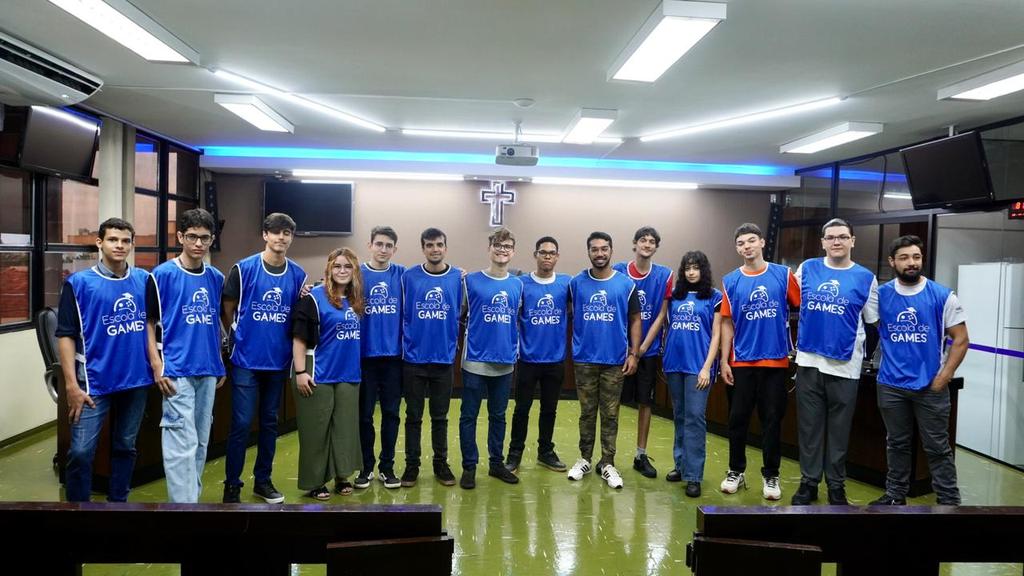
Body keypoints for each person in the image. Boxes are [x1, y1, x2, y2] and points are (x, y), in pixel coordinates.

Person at [56, 217, 153, 502]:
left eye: (125, 241)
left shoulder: (144, 280)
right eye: (113, 239)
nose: (119, 245)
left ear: (132, 244)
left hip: (136, 380)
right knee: (80, 451)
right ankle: (78, 510)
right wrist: (71, 386)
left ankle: (118, 504)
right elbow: (65, 335)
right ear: (100, 242)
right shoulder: (78, 284)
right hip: (93, 383)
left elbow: (153, 325)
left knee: (125, 446)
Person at [869, 235, 968, 506]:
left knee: (937, 447)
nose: (911, 262)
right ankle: (895, 496)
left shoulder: (942, 295)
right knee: (896, 443)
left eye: (916, 257)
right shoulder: (881, 295)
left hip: (930, 386)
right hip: (890, 385)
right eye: (904, 258)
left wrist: (945, 376)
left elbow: (961, 339)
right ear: (892, 262)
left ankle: (949, 501)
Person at [791, 218, 878, 506]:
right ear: (823, 242)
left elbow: (873, 322)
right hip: (809, 361)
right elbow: (790, 300)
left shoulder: (866, 278)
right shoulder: (807, 269)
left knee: (839, 431)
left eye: (842, 236)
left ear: (853, 240)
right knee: (809, 428)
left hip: (845, 365)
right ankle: (809, 483)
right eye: (830, 237)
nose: (836, 241)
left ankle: (836, 486)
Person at [221, 213, 307, 504]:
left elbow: (298, 315)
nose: (281, 237)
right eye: (276, 232)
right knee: (241, 424)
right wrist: (238, 337)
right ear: (265, 235)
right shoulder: (243, 269)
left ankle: (263, 481)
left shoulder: (298, 275)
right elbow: (228, 308)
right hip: (246, 360)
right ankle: (232, 485)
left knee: (270, 423)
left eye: (287, 233)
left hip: (277, 362)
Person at [146, 208, 226, 503]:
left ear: (212, 239)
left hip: (208, 369)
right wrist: (157, 365)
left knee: (201, 442)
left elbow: (214, 324)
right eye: (192, 237)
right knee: (181, 442)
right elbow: (149, 323)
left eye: (205, 238)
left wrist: (219, 363)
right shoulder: (162, 275)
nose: (198, 243)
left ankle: (191, 503)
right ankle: (183, 511)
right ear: (180, 237)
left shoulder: (216, 277)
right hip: (176, 370)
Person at [719, 222, 800, 501]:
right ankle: (736, 470)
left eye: (751, 240)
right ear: (737, 248)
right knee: (737, 420)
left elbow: (803, 308)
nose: (747, 246)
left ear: (762, 242)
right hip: (741, 362)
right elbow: (726, 323)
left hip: (775, 362)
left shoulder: (783, 275)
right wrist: (724, 361)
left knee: (772, 422)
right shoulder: (731, 280)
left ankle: (771, 474)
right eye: (741, 243)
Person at [566, 231, 642, 489]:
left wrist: (634, 353)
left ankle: (607, 462)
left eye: (604, 248)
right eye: (594, 249)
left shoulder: (626, 285)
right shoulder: (576, 283)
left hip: (614, 360)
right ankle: (585, 459)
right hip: (584, 359)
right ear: (588, 252)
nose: (599, 253)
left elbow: (635, 319)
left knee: (610, 414)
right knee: (587, 413)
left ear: (611, 250)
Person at [291, 248, 365, 500]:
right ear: (329, 269)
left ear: (355, 271)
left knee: (345, 429)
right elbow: (299, 337)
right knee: (316, 431)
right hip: (317, 374)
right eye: (337, 266)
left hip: (348, 374)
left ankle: (342, 476)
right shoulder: (313, 298)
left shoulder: (356, 300)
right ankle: (316, 482)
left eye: (348, 266)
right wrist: (300, 371)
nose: (342, 271)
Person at [458, 228, 524, 489]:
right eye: (497, 245)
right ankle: (469, 467)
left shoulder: (518, 284)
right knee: (469, 416)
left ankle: (496, 464)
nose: (502, 250)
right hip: (475, 360)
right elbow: (459, 314)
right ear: (489, 249)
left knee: (498, 416)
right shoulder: (470, 281)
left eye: (507, 246)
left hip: (505, 361)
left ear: (513, 251)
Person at [400, 227, 463, 487]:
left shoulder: (458, 277)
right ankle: (411, 466)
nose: (434, 249)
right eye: (429, 245)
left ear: (445, 248)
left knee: (440, 417)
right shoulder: (408, 277)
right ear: (423, 248)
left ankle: (440, 464)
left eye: (439, 244)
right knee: (413, 417)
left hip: (443, 360)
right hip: (414, 359)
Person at [507, 236, 571, 474]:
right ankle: (514, 454)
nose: (547, 256)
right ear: (535, 255)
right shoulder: (521, 283)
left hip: (555, 360)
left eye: (551, 253)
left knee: (549, 410)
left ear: (557, 257)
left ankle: (545, 452)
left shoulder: (566, 283)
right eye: (543, 252)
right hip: (527, 360)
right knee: (521, 409)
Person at [613, 226, 673, 479]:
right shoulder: (618, 271)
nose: (647, 244)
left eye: (652, 241)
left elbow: (661, 314)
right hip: (620, 351)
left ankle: (640, 455)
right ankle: (608, 456)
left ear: (656, 247)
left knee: (645, 403)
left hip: (647, 350)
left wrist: (641, 348)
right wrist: (628, 348)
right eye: (643, 240)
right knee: (613, 403)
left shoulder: (665, 275)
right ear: (635, 244)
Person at [662, 251, 722, 498]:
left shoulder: (714, 297)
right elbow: (667, 326)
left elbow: (716, 335)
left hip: (698, 367)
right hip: (674, 364)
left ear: (703, 270)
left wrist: (707, 367)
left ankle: (694, 475)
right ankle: (681, 465)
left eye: (696, 267)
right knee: (679, 416)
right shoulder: (675, 296)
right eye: (687, 268)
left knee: (695, 418)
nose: (691, 272)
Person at [356, 226, 405, 490]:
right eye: (379, 244)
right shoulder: (356, 274)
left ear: (394, 249)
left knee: (391, 414)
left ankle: (387, 467)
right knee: (364, 416)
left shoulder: (402, 275)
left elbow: (431, 276)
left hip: (393, 359)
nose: (383, 249)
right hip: (364, 358)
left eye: (388, 245)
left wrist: (459, 274)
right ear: (370, 245)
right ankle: (366, 467)